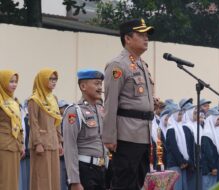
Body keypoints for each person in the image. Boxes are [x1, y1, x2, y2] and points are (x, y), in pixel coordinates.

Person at [103, 18, 155, 190]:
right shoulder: (118, 65)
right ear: (127, 38)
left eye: (147, 34)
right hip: (127, 134)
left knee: (140, 182)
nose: (146, 38)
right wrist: (109, 136)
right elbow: (110, 102)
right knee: (124, 183)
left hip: (143, 133)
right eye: (141, 34)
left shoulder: (142, 65)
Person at [63, 69, 106, 190]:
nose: (100, 88)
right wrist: (74, 180)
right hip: (85, 170)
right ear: (83, 86)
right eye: (96, 83)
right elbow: (69, 146)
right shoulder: (74, 111)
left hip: (101, 170)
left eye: (100, 84)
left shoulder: (101, 110)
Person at [28, 68, 63, 190]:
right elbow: (33, 123)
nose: (54, 82)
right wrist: (38, 143)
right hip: (41, 144)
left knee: (53, 178)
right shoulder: (34, 100)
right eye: (51, 79)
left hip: (53, 143)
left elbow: (57, 121)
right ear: (43, 80)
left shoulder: (54, 99)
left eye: (55, 79)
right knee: (41, 177)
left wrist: (59, 142)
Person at [0, 70, 25, 190]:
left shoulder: (14, 102)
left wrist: (22, 144)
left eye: (15, 82)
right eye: (11, 81)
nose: (14, 84)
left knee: (13, 181)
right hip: (4, 145)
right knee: (5, 179)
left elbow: (19, 124)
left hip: (15, 145)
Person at [201, 108, 219, 190]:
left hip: (217, 168)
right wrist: (213, 167)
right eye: (217, 119)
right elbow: (208, 153)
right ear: (212, 120)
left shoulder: (218, 131)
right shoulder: (207, 133)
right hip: (209, 170)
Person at [58, 100, 69, 190]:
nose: (65, 109)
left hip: (68, 153)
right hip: (60, 154)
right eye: (63, 107)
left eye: (66, 107)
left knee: (68, 177)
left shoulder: (69, 119)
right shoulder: (57, 120)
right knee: (60, 177)